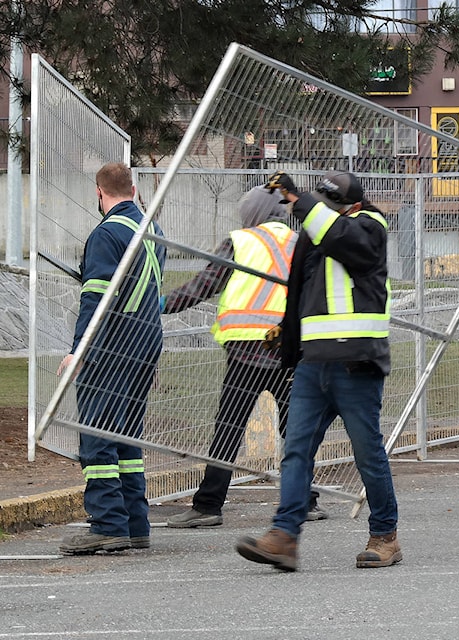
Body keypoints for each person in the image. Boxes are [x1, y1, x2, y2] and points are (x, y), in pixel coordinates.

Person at [235, 170, 400, 572]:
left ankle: (385, 536)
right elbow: (301, 293)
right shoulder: (316, 233)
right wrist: (287, 339)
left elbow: (345, 240)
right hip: (313, 364)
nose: (320, 213)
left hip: (356, 363)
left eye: (331, 206)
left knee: (367, 453)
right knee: (296, 452)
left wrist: (301, 199)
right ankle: (284, 537)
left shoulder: (369, 227)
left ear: (353, 207)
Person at [162, 186, 329, 527]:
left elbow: (202, 286)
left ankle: (208, 506)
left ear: (252, 213)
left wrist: (160, 304)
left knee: (228, 429)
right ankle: (305, 500)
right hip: (290, 352)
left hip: (247, 351)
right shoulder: (303, 242)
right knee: (294, 429)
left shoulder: (240, 242)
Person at [57, 163, 166, 555]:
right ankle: (135, 524)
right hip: (144, 345)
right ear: (134, 190)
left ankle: (107, 526)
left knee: (98, 439)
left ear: (99, 193)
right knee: (126, 440)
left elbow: (97, 298)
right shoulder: (154, 232)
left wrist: (79, 350)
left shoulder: (106, 234)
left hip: (111, 348)